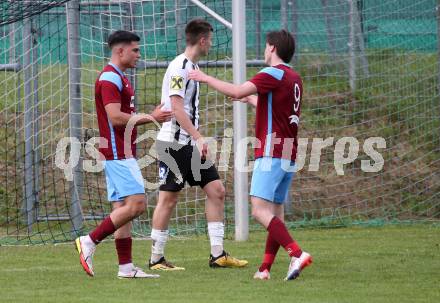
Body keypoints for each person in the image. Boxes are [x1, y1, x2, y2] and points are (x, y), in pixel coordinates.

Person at [189, 29, 312, 280]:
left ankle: (297, 253)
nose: (265, 51)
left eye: (266, 47)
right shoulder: (294, 77)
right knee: (275, 213)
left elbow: (236, 91)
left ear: (272, 48)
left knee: (258, 210)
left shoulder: (271, 73)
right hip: (288, 151)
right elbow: (276, 108)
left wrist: (205, 77)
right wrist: (254, 101)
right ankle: (265, 269)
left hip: (272, 150)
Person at [149, 19, 248, 271]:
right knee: (168, 199)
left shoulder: (191, 66)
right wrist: (199, 136)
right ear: (202, 40)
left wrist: (195, 139)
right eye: (210, 40)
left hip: (188, 144)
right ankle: (156, 258)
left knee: (216, 191)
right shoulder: (179, 67)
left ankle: (218, 255)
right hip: (173, 143)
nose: (211, 44)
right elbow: (176, 108)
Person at [74, 30, 173, 279]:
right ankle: (90, 240)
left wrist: (149, 115)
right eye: (135, 50)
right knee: (137, 204)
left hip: (121, 151)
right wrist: (152, 118)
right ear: (120, 51)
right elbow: (116, 118)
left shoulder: (120, 77)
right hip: (117, 152)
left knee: (122, 209)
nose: (139, 55)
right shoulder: (110, 78)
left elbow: (122, 116)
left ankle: (126, 268)